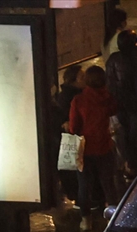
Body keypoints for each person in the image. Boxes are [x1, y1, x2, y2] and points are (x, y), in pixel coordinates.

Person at [69, 66, 120, 232]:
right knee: (108, 185)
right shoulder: (109, 98)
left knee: (84, 186)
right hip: (104, 146)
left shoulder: (79, 100)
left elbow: (73, 127)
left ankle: (86, 221)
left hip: (85, 149)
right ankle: (112, 218)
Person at [106, 29, 137, 173]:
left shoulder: (113, 59)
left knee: (125, 133)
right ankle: (134, 163)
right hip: (135, 106)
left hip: (118, 104)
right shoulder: (136, 60)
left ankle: (129, 162)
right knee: (134, 135)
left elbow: (109, 83)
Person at [52, 64, 85, 204]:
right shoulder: (69, 97)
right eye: (82, 77)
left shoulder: (72, 94)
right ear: (73, 80)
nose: (85, 79)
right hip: (71, 140)